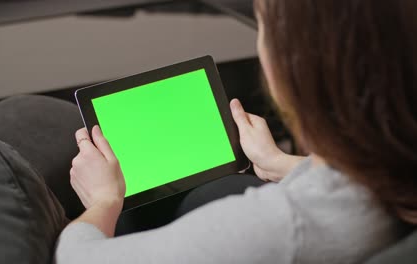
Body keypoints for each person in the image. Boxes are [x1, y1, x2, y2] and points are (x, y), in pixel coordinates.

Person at [52, 0, 417, 263]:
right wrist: (282, 163)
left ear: (297, 64)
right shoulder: (399, 175)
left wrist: (104, 201)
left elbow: (77, 257)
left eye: (265, 29)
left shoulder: (279, 227)